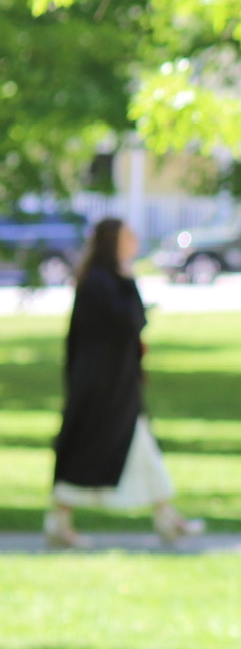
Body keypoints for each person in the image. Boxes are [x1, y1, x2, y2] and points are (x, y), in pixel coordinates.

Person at [46, 219, 204, 549]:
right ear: (113, 242)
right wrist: (130, 281)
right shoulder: (101, 282)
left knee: (140, 445)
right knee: (89, 447)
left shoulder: (107, 279)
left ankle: (166, 517)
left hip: (117, 383)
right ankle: (60, 519)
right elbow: (129, 321)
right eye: (128, 236)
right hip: (101, 387)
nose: (134, 240)